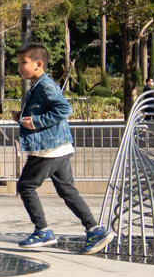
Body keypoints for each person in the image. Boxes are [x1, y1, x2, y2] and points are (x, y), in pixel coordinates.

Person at [12, 44, 105, 249]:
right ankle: (94, 229)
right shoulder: (38, 85)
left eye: (23, 63)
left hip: (48, 150)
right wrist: (23, 118)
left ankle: (42, 231)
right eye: (18, 63)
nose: (19, 67)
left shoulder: (45, 85)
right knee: (67, 191)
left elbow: (64, 109)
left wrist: (36, 122)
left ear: (38, 64)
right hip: (59, 148)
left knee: (26, 186)